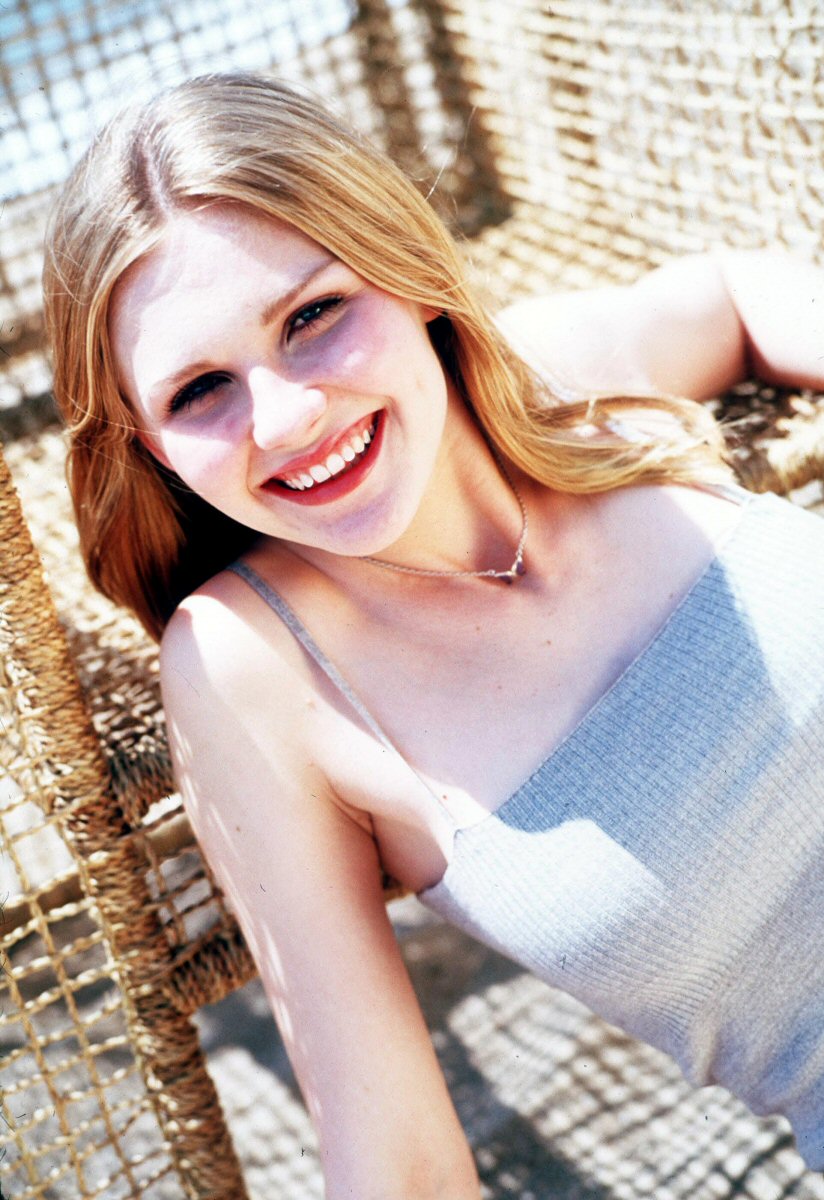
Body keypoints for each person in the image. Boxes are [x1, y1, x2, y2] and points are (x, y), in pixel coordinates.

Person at [43, 71, 824, 1198]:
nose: (286, 417)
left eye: (312, 316)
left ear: (406, 273)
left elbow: (731, 296)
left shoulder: (557, 383)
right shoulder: (253, 668)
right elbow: (401, 1169)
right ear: (149, 447)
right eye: (199, 390)